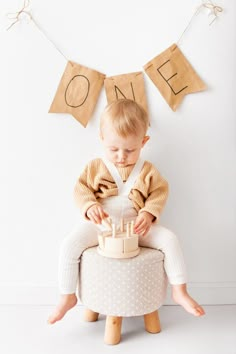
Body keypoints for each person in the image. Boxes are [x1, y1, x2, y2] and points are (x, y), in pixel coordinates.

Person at [48, 99, 205, 324]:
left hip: (137, 227)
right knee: (69, 244)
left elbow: (159, 192)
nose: (121, 156)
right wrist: (90, 206)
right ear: (102, 139)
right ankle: (67, 295)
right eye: (114, 149)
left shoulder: (148, 170)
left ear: (143, 142)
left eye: (130, 150)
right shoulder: (95, 167)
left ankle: (180, 291)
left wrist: (148, 214)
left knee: (170, 239)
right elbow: (80, 188)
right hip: (102, 225)